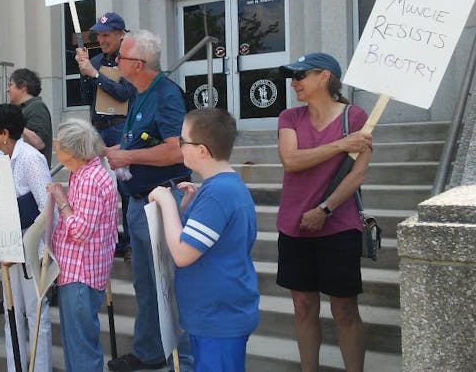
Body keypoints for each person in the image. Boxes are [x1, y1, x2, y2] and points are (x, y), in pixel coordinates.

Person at [276, 53, 372, 372]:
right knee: (303, 307)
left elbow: (356, 175)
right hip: (293, 226)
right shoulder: (290, 118)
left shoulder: (356, 118)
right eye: (293, 77)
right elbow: (291, 160)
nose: (294, 83)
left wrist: (325, 208)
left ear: (325, 77)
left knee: (344, 310)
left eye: (301, 76)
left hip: (340, 226)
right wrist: (340, 145)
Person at [105, 29, 192, 372]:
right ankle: (149, 351)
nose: (114, 61)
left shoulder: (166, 94)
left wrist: (128, 158)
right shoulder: (139, 94)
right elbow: (139, 145)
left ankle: (181, 359)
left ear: (137, 64)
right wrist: (119, 152)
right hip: (140, 203)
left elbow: (176, 150)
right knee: (145, 281)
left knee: (168, 283)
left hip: (162, 202)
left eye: (120, 58)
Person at [148, 108, 259, 372]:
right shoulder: (220, 188)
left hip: (218, 316)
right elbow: (210, 241)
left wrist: (167, 204)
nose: (179, 145)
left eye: (182, 141)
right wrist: (187, 209)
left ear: (202, 151)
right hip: (215, 312)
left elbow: (183, 254)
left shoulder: (217, 194)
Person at [0, 103, 52, 372]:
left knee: (36, 314)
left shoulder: (30, 158)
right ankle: (17, 367)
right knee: (12, 313)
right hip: (7, 241)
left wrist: (27, 247)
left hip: (30, 245)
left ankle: (39, 367)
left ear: (4, 132)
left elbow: (47, 207)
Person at [48, 119, 117, 372]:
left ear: (73, 150)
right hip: (80, 270)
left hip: (81, 273)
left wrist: (60, 201)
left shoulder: (89, 179)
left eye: (59, 143)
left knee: (81, 346)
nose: (55, 146)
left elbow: (80, 231)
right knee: (78, 343)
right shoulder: (84, 172)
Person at [75, 11, 136, 259]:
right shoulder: (97, 61)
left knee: (126, 185)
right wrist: (84, 72)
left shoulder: (130, 59)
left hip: (121, 127)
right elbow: (86, 97)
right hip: (98, 128)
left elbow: (124, 93)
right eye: (99, 36)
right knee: (100, 186)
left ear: (121, 34)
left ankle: (131, 242)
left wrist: (94, 74)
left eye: (107, 35)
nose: (102, 40)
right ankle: (108, 237)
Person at [7, 68, 53, 166]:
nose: (7, 90)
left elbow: (39, 143)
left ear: (23, 86)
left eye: (10, 85)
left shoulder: (37, 107)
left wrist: (13, 122)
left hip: (33, 171)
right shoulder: (21, 109)